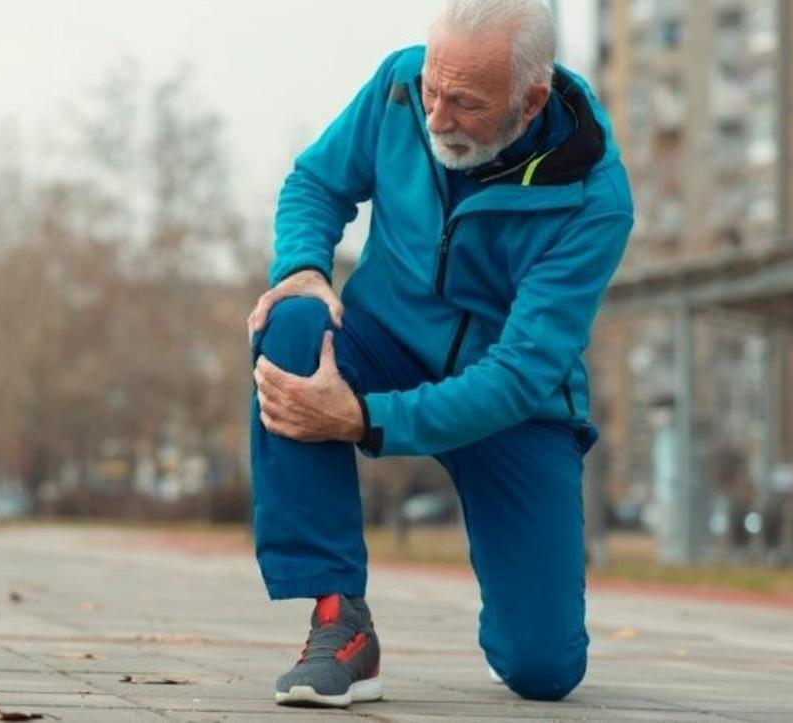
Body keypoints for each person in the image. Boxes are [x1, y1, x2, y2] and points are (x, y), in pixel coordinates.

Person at [246, 0, 633, 707]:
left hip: (514, 405)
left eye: (464, 103)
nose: (436, 117)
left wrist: (363, 417)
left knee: (544, 670)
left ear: (531, 100)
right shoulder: (399, 85)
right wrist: (301, 263)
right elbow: (316, 181)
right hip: (384, 342)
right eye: (433, 89)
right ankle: (342, 622)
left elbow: (519, 375)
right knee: (293, 324)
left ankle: (517, 627)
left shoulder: (593, 198)